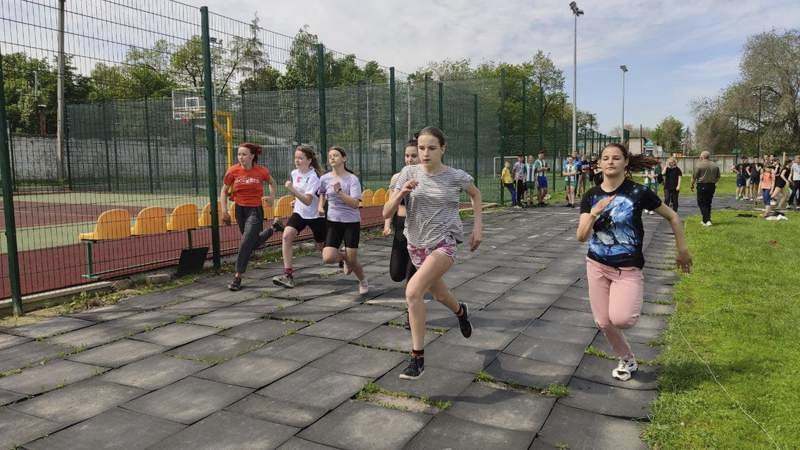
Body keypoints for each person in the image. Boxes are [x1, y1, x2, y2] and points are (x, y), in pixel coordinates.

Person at [577, 143, 692, 381]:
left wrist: (682, 250)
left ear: (625, 162)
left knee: (621, 319)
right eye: (605, 158)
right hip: (596, 265)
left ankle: (629, 299)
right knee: (603, 321)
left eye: (616, 158)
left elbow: (672, 216)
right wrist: (594, 213)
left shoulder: (638, 193)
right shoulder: (591, 196)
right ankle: (627, 359)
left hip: (627, 268)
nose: (610, 162)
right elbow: (581, 236)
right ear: (599, 163)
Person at [383, 126, 482, 380]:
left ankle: (417, 359)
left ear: (443, 149)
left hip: (443, 244)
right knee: (440, 295)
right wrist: (401, 193)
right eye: (421, 148)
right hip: (415, 245)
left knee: (413, 291)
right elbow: (385, 212)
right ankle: (461, 311)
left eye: (431, 148)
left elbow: (475, 194)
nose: (425, 153)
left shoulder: (455, 177)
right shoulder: (407, 172)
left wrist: (478, 226)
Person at [220, 142, 278, 291]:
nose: (241, 157)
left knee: (245, 243)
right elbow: (224, 191)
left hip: (255, 211)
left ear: (252, 156)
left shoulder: (261, 171)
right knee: (254, 243)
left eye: (244, 154)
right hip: (239, 210)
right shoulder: (233, 171)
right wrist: (224, 210)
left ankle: (237, 276)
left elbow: (272, 182)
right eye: (239, 154)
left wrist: (271, 197)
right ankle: (273, 229)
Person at [272, 145, 326, 289]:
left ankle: (342, 257)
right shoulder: (295, 173)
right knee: (286, 236)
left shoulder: (314, 177)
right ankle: (288, 275)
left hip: (315, 216)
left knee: (324, 250)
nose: (297, 161)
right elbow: (302, 198)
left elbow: (308, 201)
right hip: (299, 213)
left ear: (309, 160)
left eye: (300, 158)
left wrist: (293, 190)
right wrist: (295, 200)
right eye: (295, 158)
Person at [318, 146, 369, 295]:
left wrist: (339, 192)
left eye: (336, 155)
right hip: (333, 221)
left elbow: (355, 204)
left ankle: (362, 280)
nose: (332, 158)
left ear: (344, 158)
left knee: (353, 261)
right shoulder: (324, 178)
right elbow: (321, 193)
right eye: (330, 156)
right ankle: (344, 257)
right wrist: (320, 206)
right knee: (327, 257)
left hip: (351, 223)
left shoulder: (352, 179)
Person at [384, 139, 420, 283]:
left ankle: (414, 295)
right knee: (396, 274)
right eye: (407, 156)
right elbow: (390, 203)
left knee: (411, 275)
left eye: (413, 156)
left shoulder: (427, 178)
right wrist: (387, 224)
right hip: (400, 224)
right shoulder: (397, 177)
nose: (409, 159)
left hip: (419, 228)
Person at [690, 151, 721, 226]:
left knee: (701, 202)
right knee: (708, 203)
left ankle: (707, 220)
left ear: (702, 156)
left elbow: (694, 177)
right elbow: (718, 176)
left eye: (700, 156)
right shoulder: (715, 165)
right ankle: (705, 220)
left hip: (702, 185)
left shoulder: (699, 165)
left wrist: (692, 185)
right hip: (712, 186)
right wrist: (714, 182)